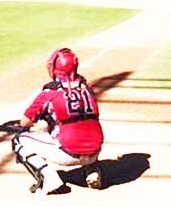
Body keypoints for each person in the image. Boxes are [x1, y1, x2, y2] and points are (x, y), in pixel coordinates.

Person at [11, 48, 105, 194]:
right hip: (96, 150)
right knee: (84, 125)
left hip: (69, 153)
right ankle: (92, 168)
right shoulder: (86, 88)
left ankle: (50, 179)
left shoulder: (50, 93)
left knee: (19, 140)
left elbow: (24, 122)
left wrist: (43, 121)